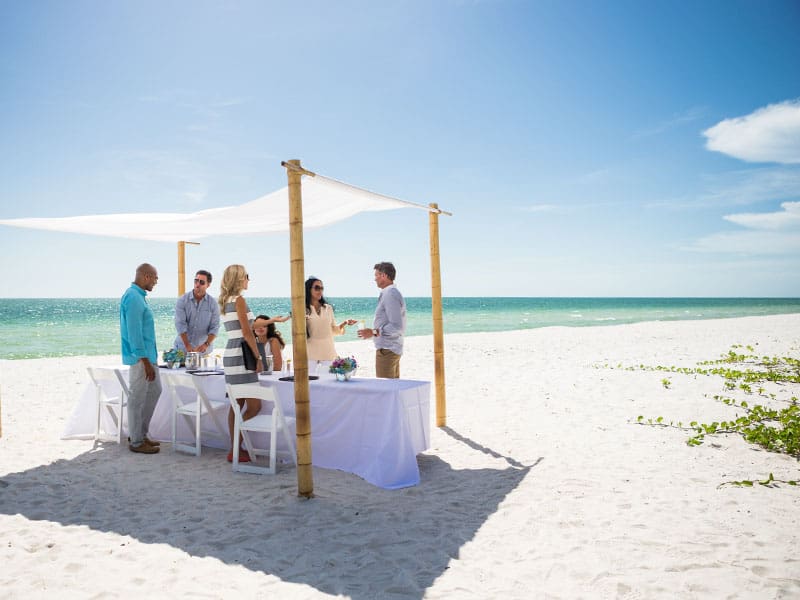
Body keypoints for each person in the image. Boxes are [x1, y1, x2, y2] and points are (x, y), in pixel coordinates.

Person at [219, 264, 262, 462]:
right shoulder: (239, 300)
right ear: (239, 278)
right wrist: (258, 357)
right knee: (254, 405)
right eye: (246, 276)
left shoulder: (225, 301)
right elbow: (247, 332)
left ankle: (234, 448)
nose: (248, 280)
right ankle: (236, 446)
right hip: (242, 355)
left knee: (236, 404)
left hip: (231, 353)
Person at [120, 263, 162, 454]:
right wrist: (145, 361)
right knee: (136, 398)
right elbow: (134, 332)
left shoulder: (139, 296)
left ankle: (140, 434)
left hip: (148, 357)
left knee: (155, 391)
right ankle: (136, 442)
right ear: (146, 276)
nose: (156, 282)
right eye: (155, 278)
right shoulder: (133, 297)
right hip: (140, 358)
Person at [357, 262, 406, 378]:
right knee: (392, 387)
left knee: (385, 387)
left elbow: (397, 326)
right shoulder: (390, 293)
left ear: (384, 275)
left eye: (376, 275)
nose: (375, 279)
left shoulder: (390, 294)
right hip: (389, 349)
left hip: (387, 351)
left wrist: (373, 332)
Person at [304, 276, 357, 361]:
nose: (320, 291)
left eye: (322, 288)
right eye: (317, 288)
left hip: (329, 353)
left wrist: (345, 323)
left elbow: (333, 330)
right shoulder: (303, 310)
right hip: (311, 355)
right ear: (308, 289)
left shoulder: (328, 308)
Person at [173, 269, 220, 356]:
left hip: (203, 352)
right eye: (196, 281)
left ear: (208, 285)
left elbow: (215, 327)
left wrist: (206, 344)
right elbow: (180, 324)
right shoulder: (182, 300)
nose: (198, 284)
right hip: (182, 350)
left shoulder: (213, 303)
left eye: (202, 282)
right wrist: (187, 345)